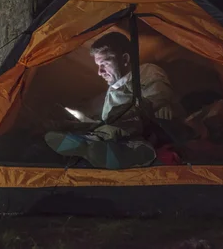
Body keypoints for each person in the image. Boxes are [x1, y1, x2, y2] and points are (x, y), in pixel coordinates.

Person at [44, 32, 185, 169]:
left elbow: (159, 97)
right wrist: (75, 123)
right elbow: (107, 121)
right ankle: (92, 143)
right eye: (98, 66)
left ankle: (126, 151)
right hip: (117, 134)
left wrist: (127, 113)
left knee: (122, 130)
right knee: (99, 128)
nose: (100, 72)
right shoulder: (111, 92)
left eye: (104, 64)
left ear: (124, 59)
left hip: (146, 135)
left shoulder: (146, 72)